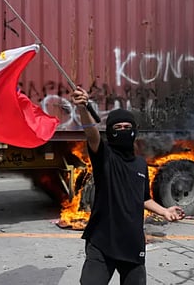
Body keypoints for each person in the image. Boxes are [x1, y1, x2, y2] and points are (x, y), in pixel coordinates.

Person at [71, 86, 186, 285]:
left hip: (132, 244)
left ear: (134, 131)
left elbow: (144, 198)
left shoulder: (141, 164)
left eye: (127, 127)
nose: (123, 131)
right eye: (117, 128)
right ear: (110, 132)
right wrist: (83, 108)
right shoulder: (105, 157)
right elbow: (92, 136)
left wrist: (165, 211)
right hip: (101, 241)